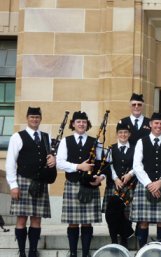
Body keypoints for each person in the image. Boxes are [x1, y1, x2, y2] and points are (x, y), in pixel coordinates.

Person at [6, 107, 56, 257]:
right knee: (21, 218)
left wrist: (54, 159)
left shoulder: (46, 137)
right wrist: (13, 185)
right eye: (32, 117)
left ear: (40, 119)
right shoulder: (17, 136)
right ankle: (22, 252)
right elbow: (10, 162)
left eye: (37, 117)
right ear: (27, 118)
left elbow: (51, 157)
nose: (34, 119)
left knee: (36, 219)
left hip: (40, 182)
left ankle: (33, 251)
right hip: (22, 181)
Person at [57, 111, 104, 257]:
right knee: (72, 222)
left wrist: (100, 177)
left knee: (87, 222)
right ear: (73, 124)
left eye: (84, 122)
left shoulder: (96, 142)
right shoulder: (66, 141)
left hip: (89, 185)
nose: (81, 124)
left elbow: (103, 164)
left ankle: (85, 253)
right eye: (78, 122)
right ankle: (72, 253)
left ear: (87, 124)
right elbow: (59, 162)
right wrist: (78, 166)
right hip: (72, 183)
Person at [131, 112, 161, 248]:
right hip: (145, 185)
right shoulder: (141, 142)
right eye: (156, 123)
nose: (159, 126)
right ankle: (142, 250)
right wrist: (149, 184)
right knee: (143, 221)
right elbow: (137, 166)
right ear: (150, 124)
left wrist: (160, 182)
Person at [102, 121, 135, 247]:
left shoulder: (135, 148)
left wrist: (129, 174)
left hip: (129, 186)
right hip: (114, 185)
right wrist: (116, 179)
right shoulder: (111, 149)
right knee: (112, 215)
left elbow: (137, 165)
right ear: (117, 134)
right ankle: (114, 240)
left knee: (127, 213)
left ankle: (124, 239)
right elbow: (109, 166)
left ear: (129, 134)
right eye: (120, 132)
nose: (123, 135)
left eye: (125, 132)